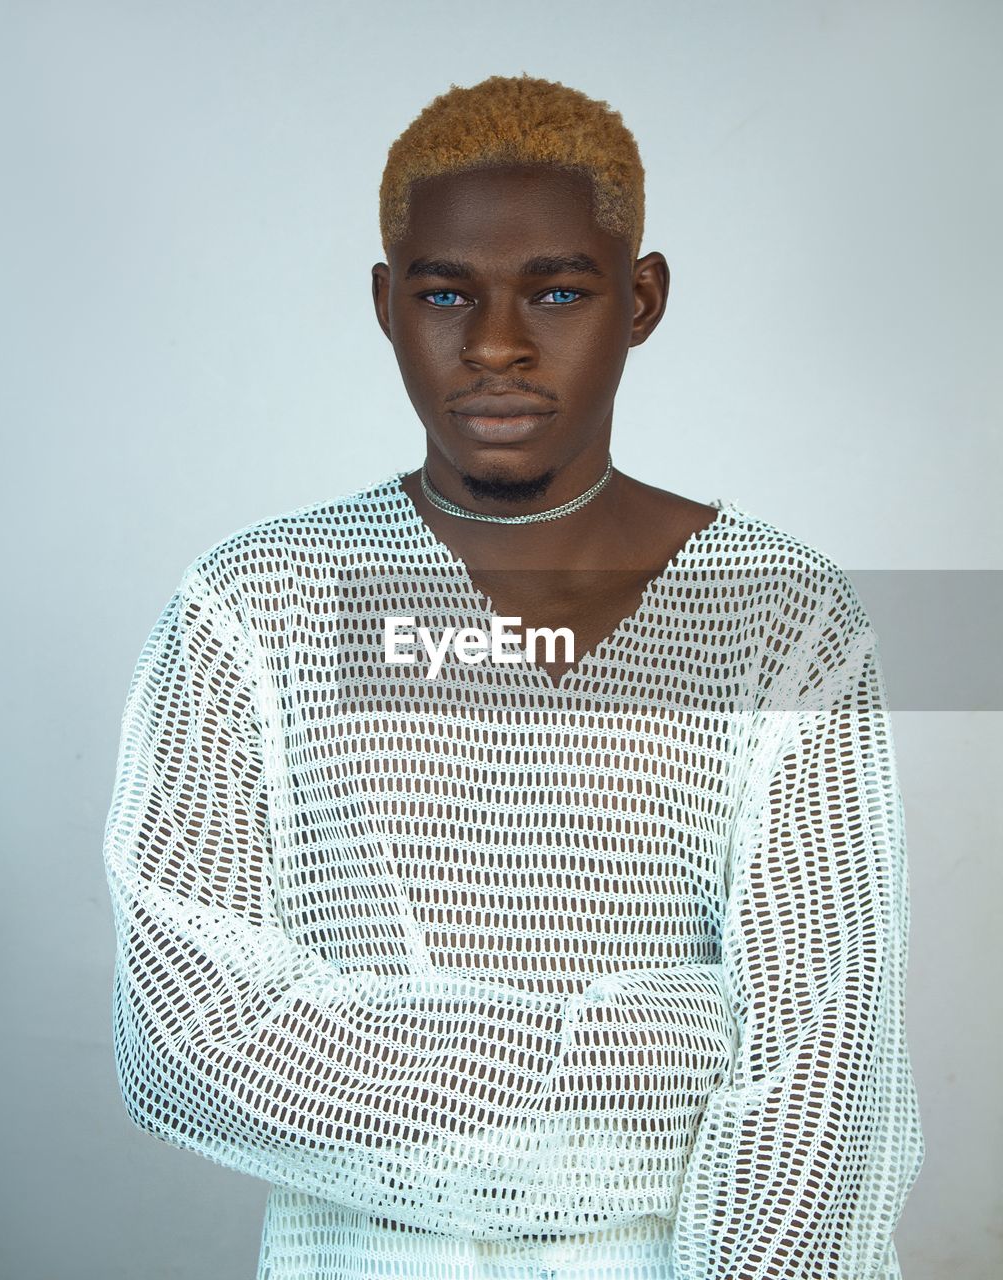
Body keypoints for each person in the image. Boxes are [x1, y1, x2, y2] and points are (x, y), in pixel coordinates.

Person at [102, 75, 925, 1280]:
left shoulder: (778, 616)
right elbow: (192, 1038)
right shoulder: (255, 605)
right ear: (386, 305)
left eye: (556, 289)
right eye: (445, 293)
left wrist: (381, 1055)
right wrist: (670, 1045)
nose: (495, 344)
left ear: (638, 300)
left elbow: (818, 1073)